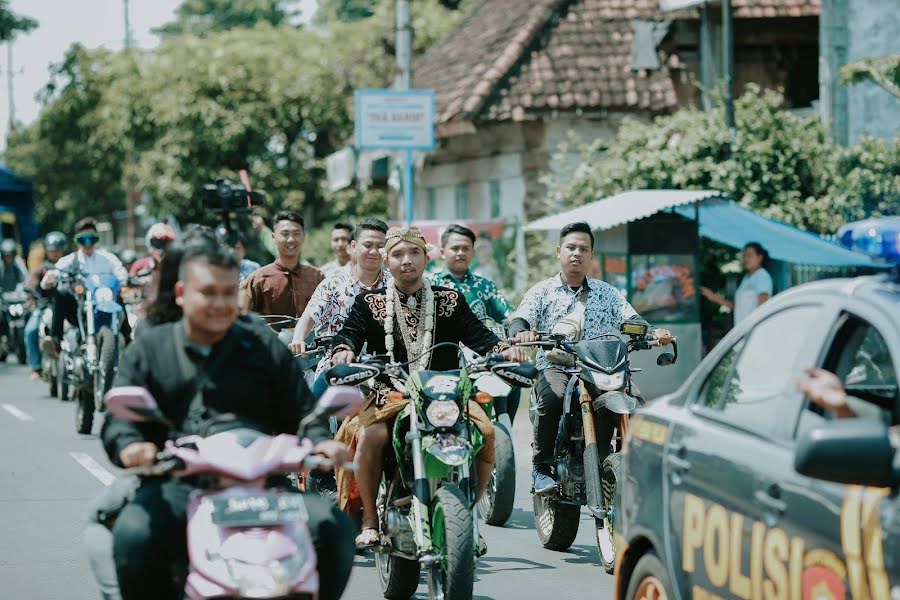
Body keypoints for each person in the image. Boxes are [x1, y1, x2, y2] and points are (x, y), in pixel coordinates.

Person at [100, 242, 356, 600]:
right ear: (181, 293)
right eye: (208, 293)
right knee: (135, 534)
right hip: (179, 483)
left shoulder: (261, 344)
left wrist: (321, 440)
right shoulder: (150, 348)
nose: (220, 304)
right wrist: (131, 446)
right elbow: (118, 421)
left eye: (227, 293)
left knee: (335, 529)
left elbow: (302, 411)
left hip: (263, 484)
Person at [328, 225, 529, 549]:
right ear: (386, 260)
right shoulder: (370, 302)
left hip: (444, 395)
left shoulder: (450, 300)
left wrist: (505, 352)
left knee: (486, 434)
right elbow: (349, 334)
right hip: (391, 393)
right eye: (397, 254)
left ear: (426, 257)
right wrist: (344, 351)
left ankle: (466, 517)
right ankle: (369, 519)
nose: (406, 261)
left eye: (414, 253)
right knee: (369, 436)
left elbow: (483, 338)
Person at [509, 222, 673, 494]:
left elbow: (633, 320)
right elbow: (521, 318)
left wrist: (656, 333)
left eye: (583, 249)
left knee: (635, 403)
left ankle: (627, 465)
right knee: (553, 397)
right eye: (571, 248)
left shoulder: (607, 292)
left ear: (591, 256)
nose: (577, 253)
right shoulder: (542, 291)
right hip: (556, 366)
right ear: (559, 251)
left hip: (601, 367)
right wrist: (521, 332)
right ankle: (542, 468)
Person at [289, 218, 391, 394]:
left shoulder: (394, 285)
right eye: (367, 245)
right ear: (353, 246)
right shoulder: (334, 283)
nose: (374, 251)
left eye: (380, 246)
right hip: (337, 365)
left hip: (384, 368)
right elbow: (310, 315)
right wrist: (298, 339)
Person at [429, 224, 520, 419]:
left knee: (514, 379)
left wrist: (521, 328)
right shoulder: (429, 283)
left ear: (473, 251)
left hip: (480, 353)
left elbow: (507, 313)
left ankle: (504, 434)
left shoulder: (484, 285)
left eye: (466, 248)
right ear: (443, 251)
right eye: (455, 248)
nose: (461, 253)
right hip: (441, 355)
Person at [40, 218, 129, 354]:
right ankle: (55, 340)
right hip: (79, 306)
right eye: (83, 239)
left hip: (103, 303)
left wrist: (123, 280)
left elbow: (121, 272)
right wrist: (50, 278)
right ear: (77, 240)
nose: (87, 244)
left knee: (119, 299)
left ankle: (128, 341)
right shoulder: (70, 260)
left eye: (91, 239)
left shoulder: (108, 258)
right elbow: (54, 273)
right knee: (61, 292)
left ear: (96, 239)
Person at [240, 211, 324, 330]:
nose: (291, 240)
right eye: (285, 234)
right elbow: (241, 316)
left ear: (303, 236)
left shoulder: (317, 277)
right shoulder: (258, 279)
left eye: (296, 233)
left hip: (313, 347)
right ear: (273, 238)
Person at [23, 232, 67, 378]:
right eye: (52, 250)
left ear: (63, 250)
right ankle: (36, 367)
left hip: (67, 308)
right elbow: (31, 284)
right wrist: (32, 299)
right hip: (45, 307)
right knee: (30, 330)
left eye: (58, 250)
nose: (55, 253)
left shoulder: (70, 267)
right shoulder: (41, 269)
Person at [700, 242, 773, 326]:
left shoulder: (762, 276)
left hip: (753, 330)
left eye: (749, 255)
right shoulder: (747, 278)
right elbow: (737, 307)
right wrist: (713, 297)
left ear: (759, 258)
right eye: (744, 255)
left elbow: (763, 308)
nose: (745, 259)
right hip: (742, 330)